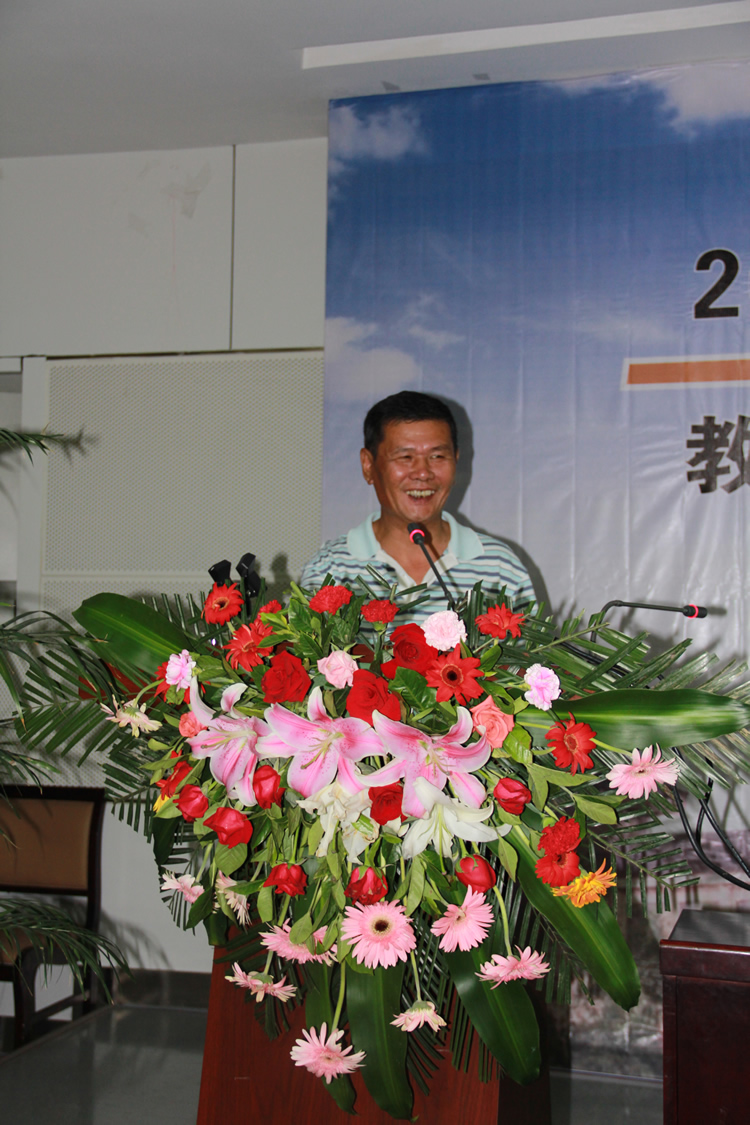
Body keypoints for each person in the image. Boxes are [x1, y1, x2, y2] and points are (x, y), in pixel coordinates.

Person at [301, 391, 534, 624]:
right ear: (368, 465)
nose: (423, 473)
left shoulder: (500, 569)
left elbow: (528, 646)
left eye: (437, 456)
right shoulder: (330, 570)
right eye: (405, 457)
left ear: (456, 460)